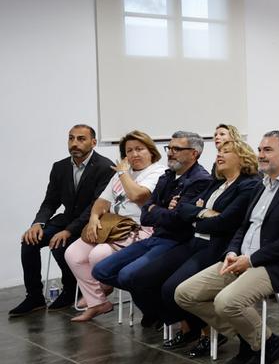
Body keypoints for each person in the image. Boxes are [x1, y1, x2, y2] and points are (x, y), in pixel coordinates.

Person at [175, 131, 279, 364]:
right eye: (260, 149)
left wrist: (251, 259)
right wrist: (232, 251)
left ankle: (267, 345)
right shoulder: (261, 185)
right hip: (242, 259)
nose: (261, 155)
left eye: (268, 150)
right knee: (185, 294)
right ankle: (253, 338)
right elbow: (245, 226)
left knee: (227, 301)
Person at [92, 132, 213, 327]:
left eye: (177, 149)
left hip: (177, 241)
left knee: (128, 275)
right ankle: (158, 310)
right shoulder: (168, 176)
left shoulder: (200, 180)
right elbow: (146, 216)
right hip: (155, 236)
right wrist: (162, 209)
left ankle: (165, 314)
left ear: (194, 153)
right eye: (169, 148)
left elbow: (177, 220)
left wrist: (157, 209)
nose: (171, 153)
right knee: (101, 270)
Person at [152, 138, 259, 350]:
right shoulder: (217, 183)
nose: (218, 155)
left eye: (226, 151)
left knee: (172, 289)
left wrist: (198, 218)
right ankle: (198, 329)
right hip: (195, 242)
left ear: (242, 158)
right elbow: (184, 208)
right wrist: (203, 213)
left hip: (218, 248)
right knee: (154, 280)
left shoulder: (248, 185)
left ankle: (211, 332)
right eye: (219, 151)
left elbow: (225, 222)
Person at [12, 124, 114, 316]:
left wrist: (69, 231)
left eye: (81, 139)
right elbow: (50, 201)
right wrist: (38, 224)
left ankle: (70, 290)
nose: (74, 143)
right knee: (29, 241)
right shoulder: (59, 167)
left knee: (61, 244)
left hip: (91, 222)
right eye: (71, 138)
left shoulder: (104, 167)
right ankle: (34, 297)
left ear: (93, 142)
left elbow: (95, 206)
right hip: (66, 219)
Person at [63, 132, 166, 321]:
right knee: (73, 254)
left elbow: (138, 196)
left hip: (141, 229)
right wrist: (94, 219)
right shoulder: (121, 173)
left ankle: (103, 285)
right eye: (129, 151)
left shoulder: (157, 172)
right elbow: (102, 201)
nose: (134, 154)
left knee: (98, 255)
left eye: (139, 149)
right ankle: (98, 302)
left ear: (151, 152)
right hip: (114, 226)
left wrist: (122, 174)